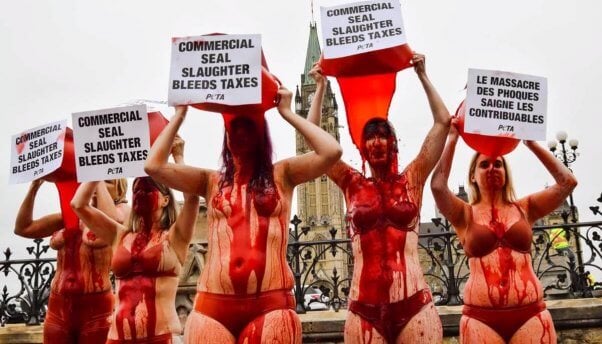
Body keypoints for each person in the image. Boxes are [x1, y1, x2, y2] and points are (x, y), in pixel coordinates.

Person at [143, 84, 342, 343]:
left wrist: (287, 113)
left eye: (247, 127)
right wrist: (180, 115)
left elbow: (331, 151)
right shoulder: (209, 180)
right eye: (232, 128)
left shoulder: (282, 174)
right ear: (225, 138)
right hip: (212, 308)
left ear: (261, 135)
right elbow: (153, 166)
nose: (239, 134)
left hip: (270, 305)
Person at [309, 53, 450, 343]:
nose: (377, 141)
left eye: (383, 134)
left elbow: (443, 122)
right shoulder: (351, 183)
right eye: (370, 137)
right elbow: (313, 140)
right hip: (364, 311)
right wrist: (320, 86)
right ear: (363, 148)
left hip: (414, 306)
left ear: (393, 143)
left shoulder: (412, 179)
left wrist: (422, 74)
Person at [430, 120, 577, 343]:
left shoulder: (525, 208)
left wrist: (530, 142)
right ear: (472, 176)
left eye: (497, 164)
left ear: (506, 173)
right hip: (481, 318)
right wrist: (452, 138)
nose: (491, 168)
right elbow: (438, 187)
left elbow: (567, 182)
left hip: (530, 314)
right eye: (484, 164)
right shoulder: (465, 214)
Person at [71, 136, 199, 344]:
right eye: (136, 189)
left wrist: (178, 156)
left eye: (148, 189)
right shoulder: (119, 235)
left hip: (161, 337)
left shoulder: (175, 237)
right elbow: (79, 205)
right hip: (117, 338)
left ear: (166, 200)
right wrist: (98, 166)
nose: (140, 191)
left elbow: (192, 197)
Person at [14, 178, 129, 344]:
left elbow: (111, 222)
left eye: (107, 181)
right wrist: (34, 188)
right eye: (93, 178)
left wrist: (97, 173)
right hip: (58, 306)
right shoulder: (69, 215)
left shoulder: (121, 214)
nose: (96, 182)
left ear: (120, 191)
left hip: (96, 308)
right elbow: (23, 228)